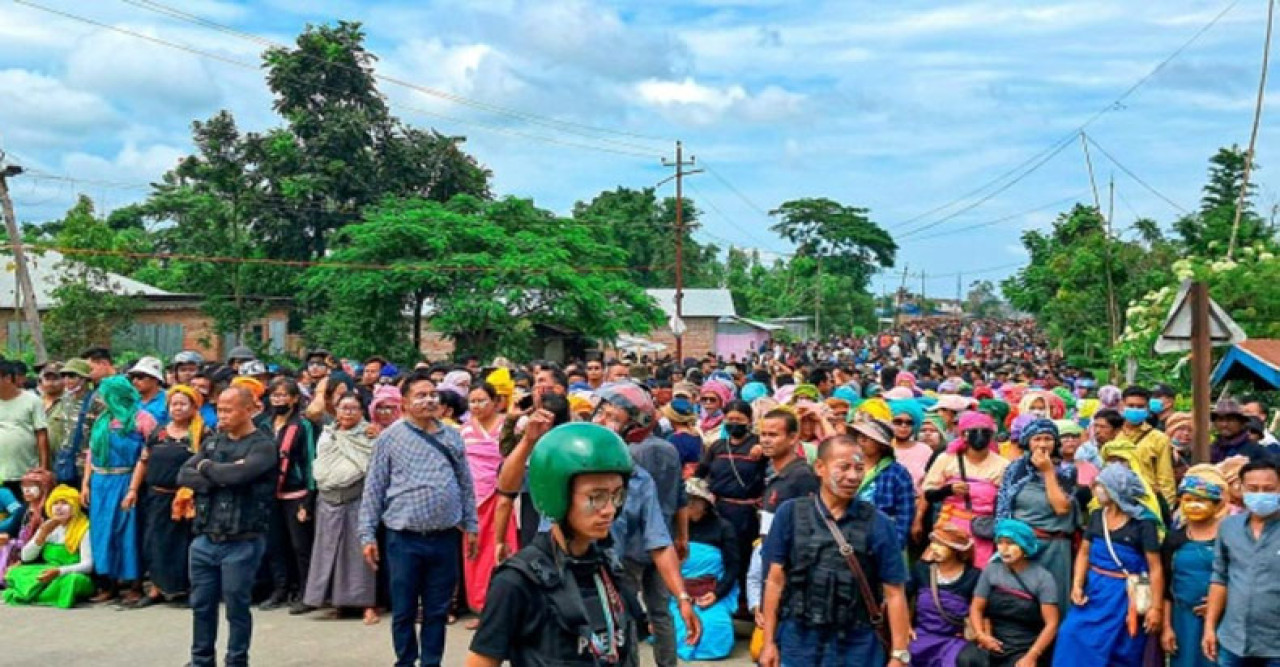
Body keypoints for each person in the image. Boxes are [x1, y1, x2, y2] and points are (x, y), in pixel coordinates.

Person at [465, 422, 645, 666]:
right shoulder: (517, 581)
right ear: (555, 495)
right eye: (596, 497)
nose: (609, 510)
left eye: (617, 496)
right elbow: (481, 661)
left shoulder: (608, 568)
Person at [758, 434, 912, 667]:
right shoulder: (789, 514)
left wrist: (898, 655)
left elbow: (894, 592)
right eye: (844, 467)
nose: (853, 476)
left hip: (857, 642)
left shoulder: (879, 523)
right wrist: (769, 642)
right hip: (798, 638)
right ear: (819, 467)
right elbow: (775, 581)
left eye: (859, 468)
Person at [359, 369, 479, 667]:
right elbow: (374, 489)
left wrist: (472, 526)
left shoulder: (452, 435)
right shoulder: (390, 439)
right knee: (403, 609)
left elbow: (466, 484)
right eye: (421, 395)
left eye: (432, 394)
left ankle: (431, 662)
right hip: (403, 538)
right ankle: (405, 660)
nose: (428, 400)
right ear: (404, 403)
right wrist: (367, 534)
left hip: (445, 536)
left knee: (437, 610)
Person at [177, 386, 279, 667]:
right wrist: (220, 474)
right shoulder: (213, 442)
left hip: (242, 541)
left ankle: (236, 661)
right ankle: (201, 660)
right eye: (219, 409)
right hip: (205, 539)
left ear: (249, 410)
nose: (221, 415)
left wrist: (208, 469)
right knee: (202, 606)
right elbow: (183, 473)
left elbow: (241, 475)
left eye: (228, 409)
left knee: (236, 607)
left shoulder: (263, 445)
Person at [593, 382, 691, 667]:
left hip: (631, 551)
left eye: (612, 416)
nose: (601, 420)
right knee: (661, 611)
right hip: (662, 543)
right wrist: (682, 537)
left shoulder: (628, 462)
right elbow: (680, 498)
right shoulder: (670, 450)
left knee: (625, 612)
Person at [1053, 463, 1163, 667]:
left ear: (1114, 489)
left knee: (1122, 649)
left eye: (1101, 485)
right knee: (1071, 634)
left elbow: (1155, 568)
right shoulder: (1097, 516)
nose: (1096, 488)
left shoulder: (1143, 523)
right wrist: (1077, 584)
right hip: (1095, 591)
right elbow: (1085, 552)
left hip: (1124, 595)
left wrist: (1155, 608)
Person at [302, 391, 378, 625]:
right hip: (327, 498)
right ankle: (339, 602)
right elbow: (320, 464)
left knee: (360, 553)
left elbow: (371, 467)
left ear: (362, 412)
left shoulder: (369, 435)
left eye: (353, 408)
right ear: (335, 410)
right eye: (343, 408)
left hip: (358, 498)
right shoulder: (328, 433)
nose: (348, 412)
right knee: (329, 552)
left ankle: (368, 605)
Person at [82, 375, 155, 604]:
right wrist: (86, 483)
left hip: (126, 480)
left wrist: (133, 488)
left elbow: (147, 455)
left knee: (128, 531)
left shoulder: (142, 419)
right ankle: (109, 584)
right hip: (101, 481)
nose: (102, 399)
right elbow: (91, 453)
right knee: (103, 533)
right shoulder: (102, 420)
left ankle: (134, 585)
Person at [134, 385, 209, 607]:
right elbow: (144, 461)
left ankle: (183, 589)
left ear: (194, 407)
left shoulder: (202, 433)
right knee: (155, 543)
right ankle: (157, 588)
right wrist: (132, 490)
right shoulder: (159, 431)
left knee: (183, 544)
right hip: (156, 496)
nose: (177, 408)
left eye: (183, 404)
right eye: (174, 404)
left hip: (186, 499)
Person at [1203, 458, 1280, 666]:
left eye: (1269, 489)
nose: (1261, 494)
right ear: (1242, 489)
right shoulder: (1229, 527)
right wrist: (1209, 626)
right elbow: (1220, 577)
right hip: (1233, 640)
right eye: (1253, 489)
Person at [996, 418, 1077, 610]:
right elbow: (1003, 508)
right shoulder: (1015, 469)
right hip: (1021, 546)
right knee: (1021, 602)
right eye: (1037, 439)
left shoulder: (1066, 470)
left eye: (1048, 439)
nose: (1042, 444)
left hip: (1055, 547)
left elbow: (1061, 508)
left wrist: (1048, 472)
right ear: (1027, 442)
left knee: (1053, 603)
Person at [961, 519, 1061, 667]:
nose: (1003, 549)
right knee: (966, 659)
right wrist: (981, 635)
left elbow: (1052, 624)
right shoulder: (991, 571)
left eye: (1010, 543)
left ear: (1024, 546)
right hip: (993, 639)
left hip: (1025, 645)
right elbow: (976, 607)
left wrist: (1032, 656)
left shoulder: (1043, 578)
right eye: (1000, 542)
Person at [458, 382, 517, 627]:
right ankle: (481, 608)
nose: (477, 405)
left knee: (503, 550)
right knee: (475, 553)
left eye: (483, 400)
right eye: (473, 401)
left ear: (496, 402)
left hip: (502, 496)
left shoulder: (509, 426)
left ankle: (505, 608)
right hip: (473, 498)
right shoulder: (463, 431)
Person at [695, 399, 766, 601]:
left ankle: (743, 601)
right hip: (719, 510)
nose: (734, 423)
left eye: (739, 419)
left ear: (749, 420)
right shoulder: (717, 446)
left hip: (746, 513)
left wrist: (763, 451)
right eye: (730, 419)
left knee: (743, 556)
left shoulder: (758, 446)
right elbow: (701, 474)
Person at [923, 411, 1010, 567]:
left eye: (985, 432)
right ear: (963, 435)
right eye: (974, 432)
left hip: (983, 529)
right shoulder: (947, 459)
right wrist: (948, 490)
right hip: (950, 526)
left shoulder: (1002, 465)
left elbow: (1005, 503)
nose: (979, 436)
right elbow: (929, 494)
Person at [1161, 465, 1226, 667]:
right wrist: (1166, 627)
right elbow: (1166, 588)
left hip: (1224, 620)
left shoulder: (1230, 536)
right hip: (1183, 620)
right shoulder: (1174, 539)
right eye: (1188, 500)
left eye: (1201, 500)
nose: (1194, 506)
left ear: (1216, 505)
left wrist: (1220, 604)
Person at [674, 477, 740, 661]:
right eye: (686, 502)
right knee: (679, 626)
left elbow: (733, 566)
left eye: (695, 502)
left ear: (705, 504)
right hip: (680, 592)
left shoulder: (723, 528)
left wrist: (717, 593)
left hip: (711, 590)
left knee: (716, 628)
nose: (690, 507)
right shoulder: (675, 528)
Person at [1, 484, 94, 608]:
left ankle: (33, 594)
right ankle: (43, 594)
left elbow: (88, 565)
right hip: (48, 569)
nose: (59, 508)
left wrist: (59, 571)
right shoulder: (48, 525)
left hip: (70, 573)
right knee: (16, 572)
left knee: (72, 581)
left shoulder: (84, 528)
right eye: (55, 503)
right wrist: (41, 535)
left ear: (75, 507)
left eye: (65, 503)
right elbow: (26, 557)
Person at [909, 523, 981, 667]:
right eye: (933, 542)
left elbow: (981, 611)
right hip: (922, 635)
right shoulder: (921, 570)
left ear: (956, 550)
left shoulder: (974, 576)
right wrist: (906, 627)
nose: (934, 548)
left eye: (941, 545)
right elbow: (903, 597)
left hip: (955, 640)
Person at [853, 416, 917, 548]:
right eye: (860, 435)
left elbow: (904, 514)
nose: (862, 440)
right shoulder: (849, 468)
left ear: (881, 445)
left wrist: (894, 545)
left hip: (883, 538)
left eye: (868, 437)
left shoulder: (897, 473)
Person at [1110, 386, 1175, 505]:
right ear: (1121, 406)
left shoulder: (1159, 439)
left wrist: (1166, 509)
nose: (1135, 409)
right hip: (1116, 501)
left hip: (1146, 503)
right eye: (1131, 405)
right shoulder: (1113, 435)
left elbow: (1166, 479)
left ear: (1147, 409)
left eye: (1140, 407)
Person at [0, 360, 49, 496]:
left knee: (26, 512)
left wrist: (43, 467)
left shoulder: (32, 400)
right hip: (1, 475)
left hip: (27, 473)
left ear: (7, 378)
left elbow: (41, 434)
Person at [1209, 398, 1271, 463]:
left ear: (1241, 423)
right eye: (1220, 420)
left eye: (1230, 420)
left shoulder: (1256, 451)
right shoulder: (1211, 450)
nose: (1224, 424)